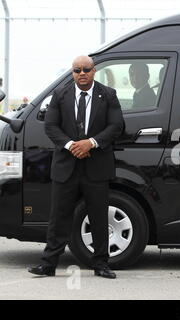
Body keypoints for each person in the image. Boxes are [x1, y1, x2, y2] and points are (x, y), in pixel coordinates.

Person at [28, 55, 124, 279]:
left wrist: (90, 143)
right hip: (66, 167)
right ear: (72, 73)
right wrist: (73, 145)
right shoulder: (60, 95)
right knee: (58, 217)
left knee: (99, 217)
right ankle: (48, 264)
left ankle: (101, 264)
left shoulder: (108, 95)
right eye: (77, 70)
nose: (82, 74)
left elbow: (116, 125)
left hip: (96, 167)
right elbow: (51, 127)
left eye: (86, 70)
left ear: (94, 71)